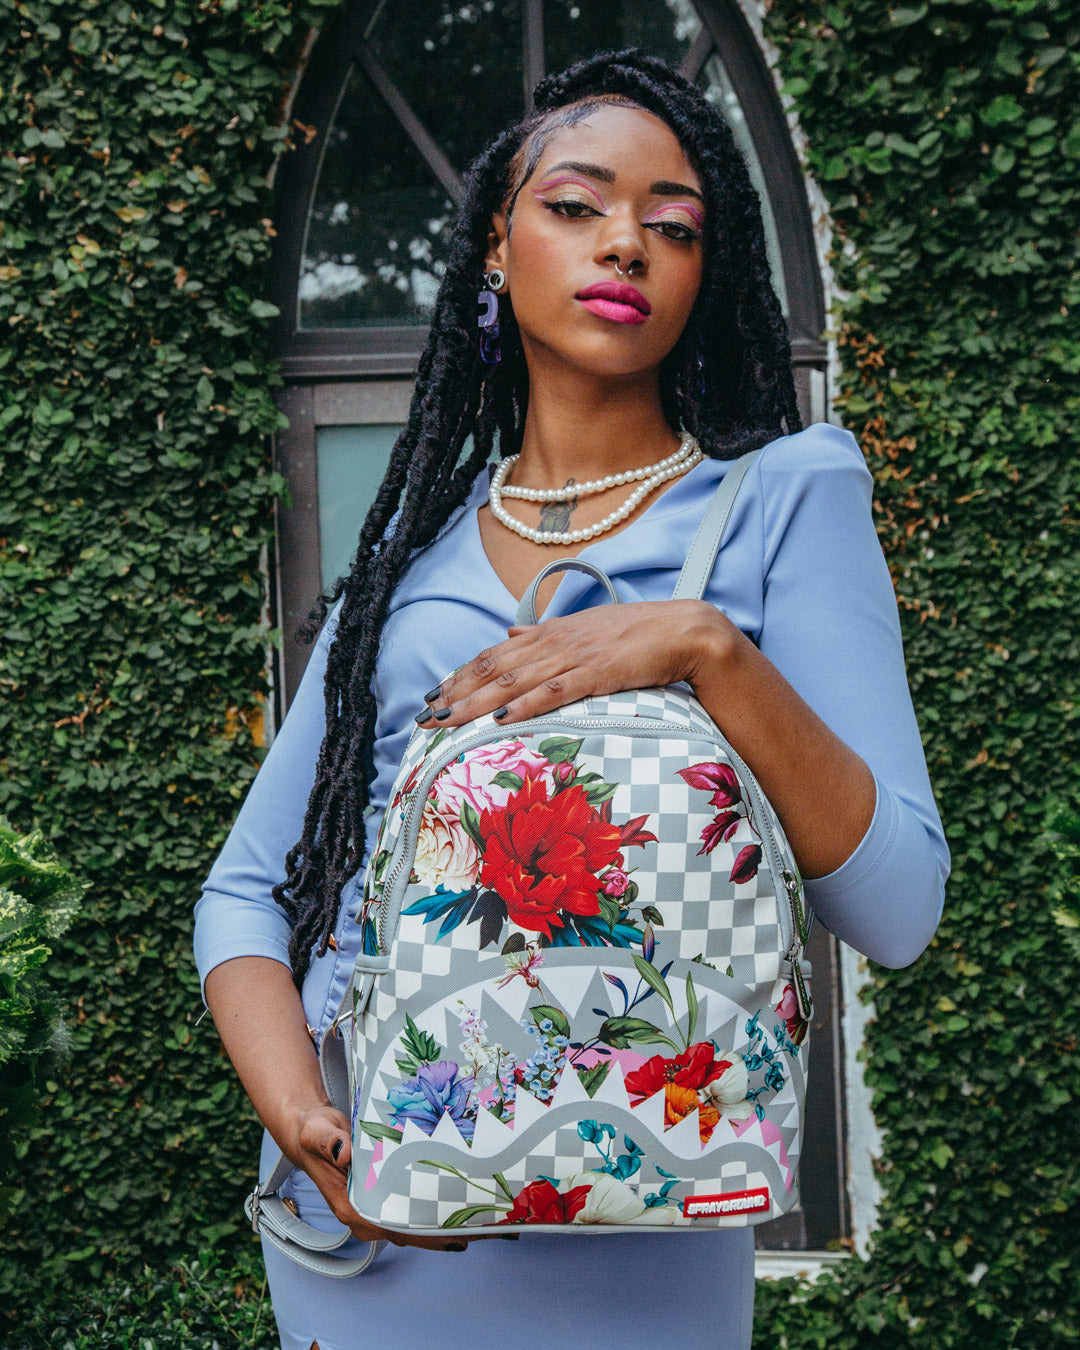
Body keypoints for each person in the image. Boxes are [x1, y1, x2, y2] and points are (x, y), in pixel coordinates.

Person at [195, 49, 947, 1350]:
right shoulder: (406, 561)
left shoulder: (785, 498)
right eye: (576, 204)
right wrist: (298, 1113)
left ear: (705, 274)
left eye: (675, 226)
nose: (627, 244)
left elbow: (900, 906)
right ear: (497, 244)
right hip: (376, 1204)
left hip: (647, 1213)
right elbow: (245, 891)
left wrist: (706, 649)